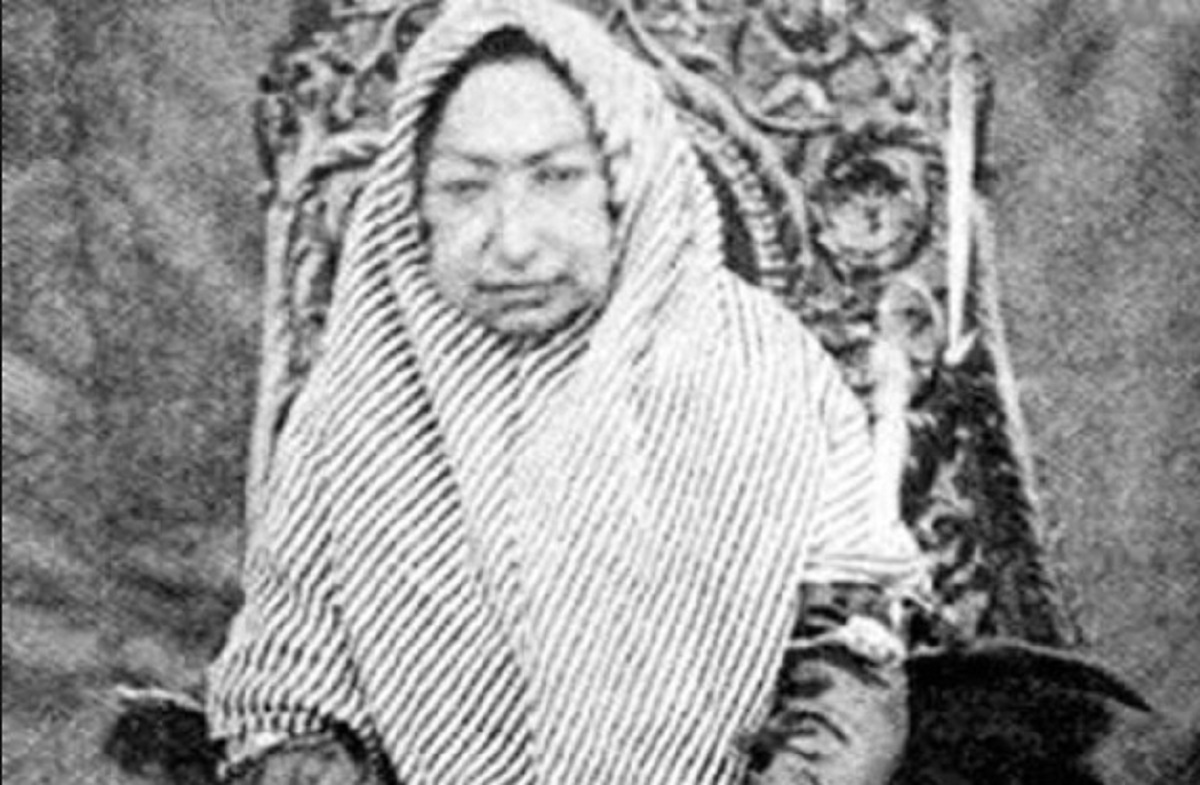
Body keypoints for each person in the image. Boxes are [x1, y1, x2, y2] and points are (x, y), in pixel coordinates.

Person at [206, 0, 924, 783]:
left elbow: (847, 678)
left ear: (624, 179)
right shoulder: (356, 405)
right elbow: (289, 708)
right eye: (465, 188)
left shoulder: (768, 372)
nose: (513, 241)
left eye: (556, 178)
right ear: (413, 205)